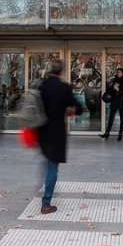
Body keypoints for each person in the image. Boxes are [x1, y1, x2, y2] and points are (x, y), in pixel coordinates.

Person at [37, 60, 83, 214]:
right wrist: (70, 111)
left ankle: (45, 186)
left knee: (48, 162)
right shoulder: (64, 87)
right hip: (56, 132)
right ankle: (46, 203)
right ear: (61, 72)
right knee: (52, 166)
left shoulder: (42, 86)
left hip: (42, 130)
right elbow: (79, 107)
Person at [100, 68, 123, 141]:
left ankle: (120, 134)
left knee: (122, 118)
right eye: (117, 72)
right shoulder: (114, 80)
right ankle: (107, 133)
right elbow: (110, 91)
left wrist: (118, 90)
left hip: (122, 102)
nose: (118, 73)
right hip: (114, 101)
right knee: (111, 118)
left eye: (120, 72)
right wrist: (111, 89)